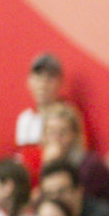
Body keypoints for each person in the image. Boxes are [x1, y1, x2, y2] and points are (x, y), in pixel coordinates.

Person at [40, 101, 109, 205]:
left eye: (63, 132)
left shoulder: (90, 166)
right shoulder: (44, 159)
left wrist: (50, 164)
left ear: (74, 135)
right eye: (51, 132)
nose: (57, 138)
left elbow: (66, 205)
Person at [15, 52, 66, 183]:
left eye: (50, 78)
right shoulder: (25, 118)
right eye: (38, 77)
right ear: (29, 81)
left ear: (60, 82)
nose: (43, 84)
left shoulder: (67, 117)